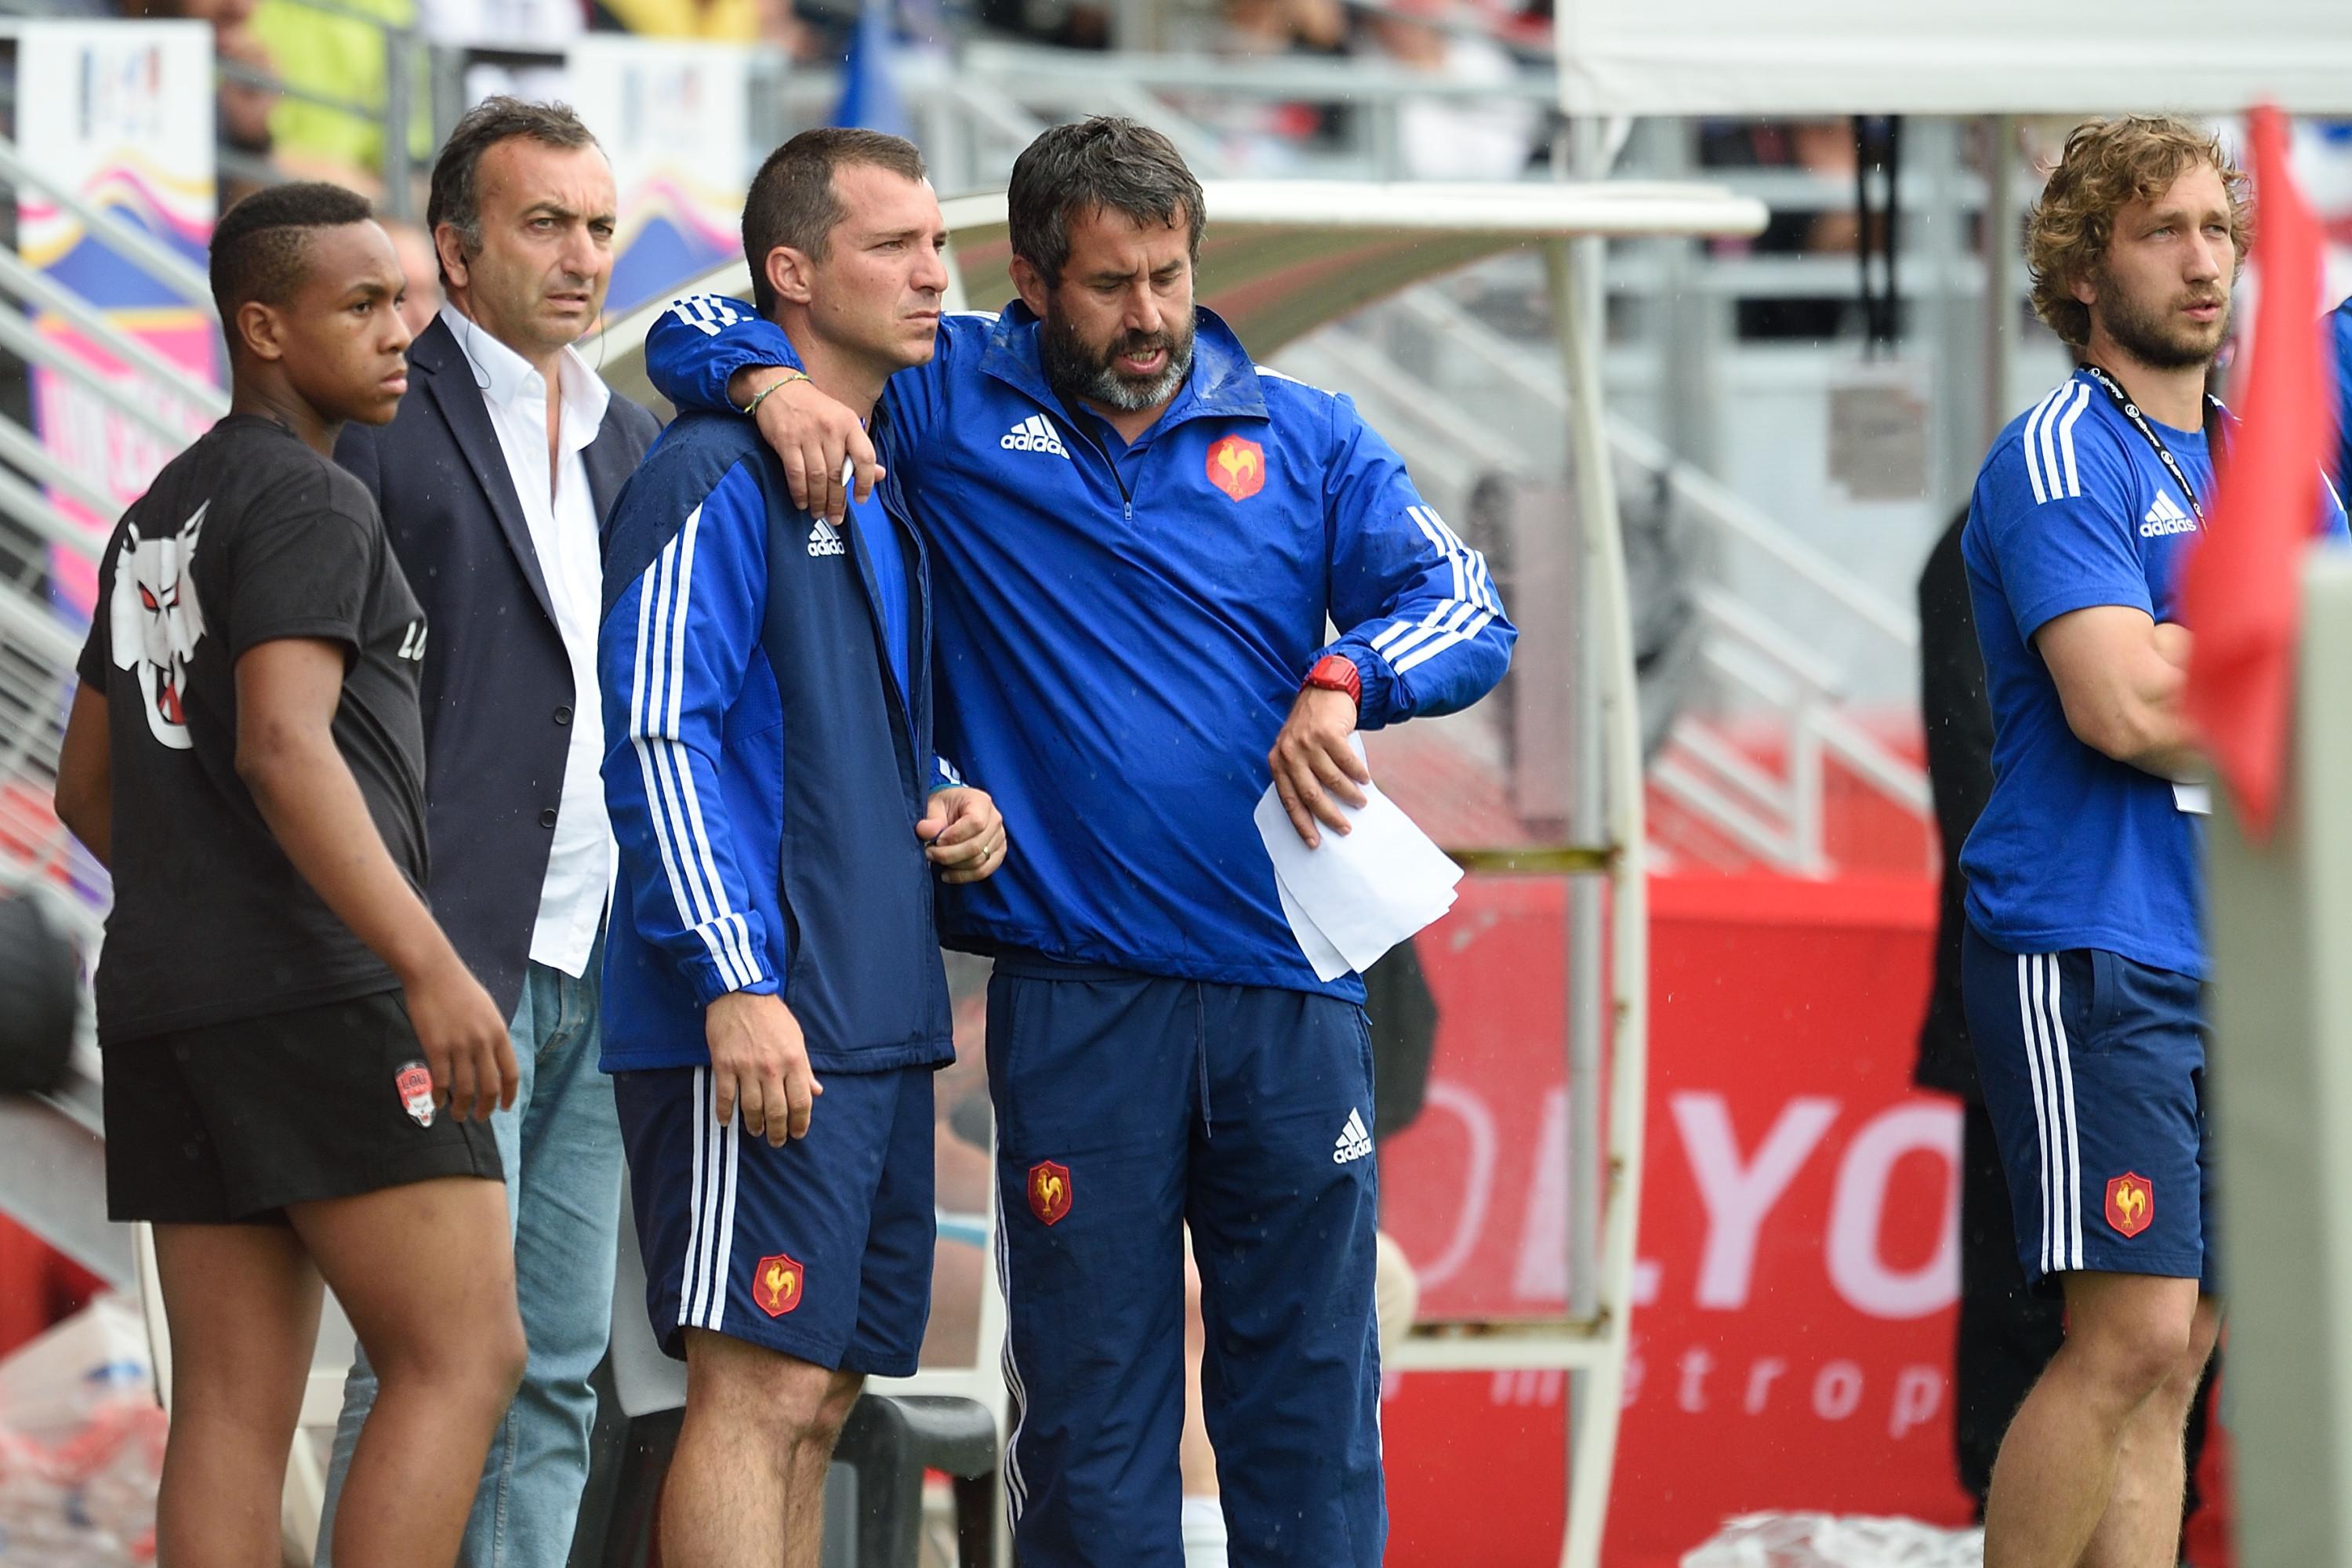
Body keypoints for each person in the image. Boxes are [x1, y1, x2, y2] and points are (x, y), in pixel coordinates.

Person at [644, 114, 1515, 1567]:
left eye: (1171, 276)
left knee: (1307, 1409)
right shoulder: (941, 403)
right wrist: (768, 385)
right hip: (1077, 995)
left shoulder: (1302, 434)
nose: (1152, 317)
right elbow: (694, 316)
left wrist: (1346, 677)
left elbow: (1469, 605)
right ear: (1033, 285)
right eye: (1111, 285)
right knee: (1090, 1424)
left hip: (1286, 996)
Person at [49, 181, 526, 1568]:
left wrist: (213, 897)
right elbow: (281, 744)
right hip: (330, 993)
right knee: (465, 1353)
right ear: (263, 326)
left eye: (406, 301)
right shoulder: (312, 498)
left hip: (167, 1004)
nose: (401, 332)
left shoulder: (160, 508)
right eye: (363, 305)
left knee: (232, 1414)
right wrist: (427, 965)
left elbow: (86, 786)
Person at [598, 127, 1005, 1568]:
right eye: (891, 247)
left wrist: (954, 796)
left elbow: (845, 735)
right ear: (791, 274)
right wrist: (730, 978)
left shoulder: (878, 480)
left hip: (877, 1014)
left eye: (937, 245)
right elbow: (657, 735)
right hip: (762, 1014)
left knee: (823, 1395)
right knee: (755, 1388)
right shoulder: (713, 465)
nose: (933, 277)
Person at [1958, 114, 2345, 1567]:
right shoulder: (2059, 452)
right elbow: (2119, 702)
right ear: (2080, 272)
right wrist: (2259, 682)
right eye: (2162, 231)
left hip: (2238, 949)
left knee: (2187, 1354)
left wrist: (2222, 667)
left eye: (2219, 230)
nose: (2205, 263)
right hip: (2092, 944)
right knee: (2123, 1339)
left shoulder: (2278, 474)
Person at [311, 99, 661, 1568]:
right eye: (542, 224)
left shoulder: (634, 438)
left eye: (596, 225)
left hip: (601, 950)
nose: (581, 256)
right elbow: (303, 717)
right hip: (441, 954)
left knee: (557, 1362)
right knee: (430, 1354)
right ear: (454, 252)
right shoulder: (381, 423)